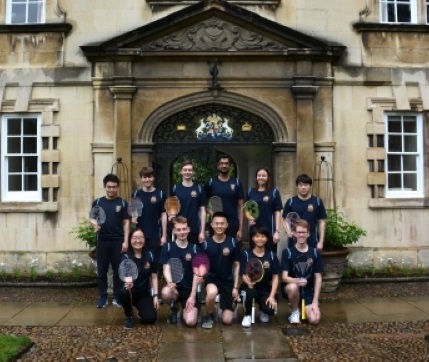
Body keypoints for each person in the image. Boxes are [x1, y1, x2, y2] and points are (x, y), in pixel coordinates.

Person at [91, 173, 130, 309]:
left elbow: (126, 223)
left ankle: (117, 298)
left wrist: (126, 241)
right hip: (102, 241)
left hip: (118, 241)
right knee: (101, 271)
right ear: (104, 187)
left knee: (118, 271)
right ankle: (102, 298)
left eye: (114, 187)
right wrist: (95, 225)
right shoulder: (97, 202)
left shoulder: (123, 203)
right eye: (109, 187)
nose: (111, 189)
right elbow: (93, 218)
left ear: (117, 187)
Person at [198, 211, 241, 329]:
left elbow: (237, 265)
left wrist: (236, 287)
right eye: (217, 223)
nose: (219, 226)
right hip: (212, 279)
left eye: (222, 223)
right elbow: (201, 265)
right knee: (211, 293)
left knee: (227, 321)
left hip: (228, 281)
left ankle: (230, 303)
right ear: (212, 224)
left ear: (227, 225)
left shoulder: (233, 242)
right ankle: (210, 315)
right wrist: (201, 276)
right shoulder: (206, 244)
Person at [159, 216, 199, 327]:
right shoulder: (167, 247)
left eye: (184, 229)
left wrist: (192, 296)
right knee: (166, 293)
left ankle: (185, 310)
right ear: (174, 231)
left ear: (188, 229)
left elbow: (197, 274)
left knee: (190, 322)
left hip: (189, 292)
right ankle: (174, 306)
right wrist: (171, 284)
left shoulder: (195, 248)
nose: (182, 232)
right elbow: (165, 268)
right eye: (179, 229)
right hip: (175, 290)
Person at [281, 219, 322, 325]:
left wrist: (315, 301)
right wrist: (297, 280)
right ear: (294, 234)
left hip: (308, 292)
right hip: (292, 289)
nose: (301, 235)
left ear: (308, 234)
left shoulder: (314, 252)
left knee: (314, 320)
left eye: (303, 232)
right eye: (298, 232)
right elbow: (284, 277)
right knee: (293, 287)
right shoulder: (287, 252)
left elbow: (318, 277)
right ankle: (295, 311)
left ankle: (303, 306)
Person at [117, 227, 159, 329]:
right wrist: (128, 282)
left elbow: (154, 276)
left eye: (140, 237)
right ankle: (129, 315)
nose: (138, 240)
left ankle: (141, 309)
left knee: (150, 319)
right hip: (130, 292)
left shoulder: (150, 256)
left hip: (143, 294)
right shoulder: (125, 257)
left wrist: (155, 296)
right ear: (130, 240)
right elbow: (125, 276)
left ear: (144, 239)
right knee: (125, 292)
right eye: (135, 238)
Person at [240, 226, 279, 328]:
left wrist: (271, 296)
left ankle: (263, 310)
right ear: (253, 238)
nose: (260, 239)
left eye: (262, 236)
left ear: (266, 239)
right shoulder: (246, 254)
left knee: (270, 310)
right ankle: (247, 315)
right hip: (249, 287)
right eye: (257, 236)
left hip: (265, 289)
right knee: (250, 293)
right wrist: (248, 283)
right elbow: (243, 274)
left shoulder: (272, 255)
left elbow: (275, 277)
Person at [205, 154, 244, 243]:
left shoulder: (237, 182)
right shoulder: (211, 182)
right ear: (218, 165)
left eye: (226, 163)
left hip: (233, 224)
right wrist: (212, 213)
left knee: (232, 252)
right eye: (221, 163)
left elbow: (241, 207)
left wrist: (241, 229)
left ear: (230, 166)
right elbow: (203, 204)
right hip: (216, 224)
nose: (224, 165)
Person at [131, 166, 167, 262]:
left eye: (149, 177)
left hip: (155, 234)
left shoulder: (161, 194)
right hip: (140, 235)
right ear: (141, 178)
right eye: (144, 177)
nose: (147, 179)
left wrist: (164, 235)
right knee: (141, 262)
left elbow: (163, 215)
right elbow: (133, 213)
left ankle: (154, 278)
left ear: (153, 178)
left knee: (154, 263)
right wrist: (133, 218)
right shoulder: (135, 195)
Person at [282, 174, 327, 250]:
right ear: (297, 186)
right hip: (294, 240)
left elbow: (322, 221)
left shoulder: (317, 201)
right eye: (300, 185)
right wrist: (289, 232)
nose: (303, 187)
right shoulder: (291, 202)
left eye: (306, 185)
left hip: (312, 240)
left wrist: (321, 242)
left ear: (310, 186)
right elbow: (285, 220)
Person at [246, 166, 283, 252]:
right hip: (254, 230)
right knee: (255, 259)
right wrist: (249, 219)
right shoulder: (250, 192)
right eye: (259, 175)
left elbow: (278, 212)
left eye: (264, 175)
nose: (261, 178)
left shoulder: (274, 192)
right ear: (256, 177)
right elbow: (248, 209)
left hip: (270, 231)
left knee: (270, 258)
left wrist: (277, 232)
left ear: (268, 177)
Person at [171, 160, 207, 244]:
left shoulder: (199, 189)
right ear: (181, 171)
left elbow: (203, 211)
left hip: (195, 228)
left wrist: (202, 231)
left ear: (193, 172)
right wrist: (172, 216)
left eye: (190, 170)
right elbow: (172, 208)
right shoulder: (175, 189)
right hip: (180, 229)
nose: (187, 172)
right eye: (185, 170)